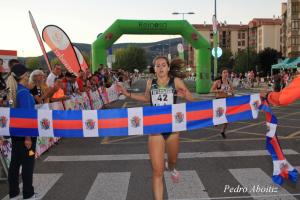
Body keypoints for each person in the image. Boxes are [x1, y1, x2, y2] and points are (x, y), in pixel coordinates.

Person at [117, 56, 195, 200]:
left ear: (168, 68)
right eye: (157, 65)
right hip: (155, 129)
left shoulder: (176, 82)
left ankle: (171, 168)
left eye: (163, 65)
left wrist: (186, 95)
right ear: (154, 69)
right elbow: (147, 98)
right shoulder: (150, 82)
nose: (160, 68)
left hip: (172, 129)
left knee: (172, 161)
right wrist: (126, 93)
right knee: (157, 172)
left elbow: (192, 100)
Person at [6, 64, 39, 199]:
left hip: (15, 134)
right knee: (28, 164)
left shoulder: (12, 92)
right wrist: (28, 138)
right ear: (24, 76)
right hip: (26, 135)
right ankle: (28, 193)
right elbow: (27, 117)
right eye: (27, 75)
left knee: (15, 164)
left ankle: (13, 193)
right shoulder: (24, 93)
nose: (28, 77)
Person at [210, 68, 234, 139]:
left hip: (226, 100)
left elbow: (232, 91)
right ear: (221, 74)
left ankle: (223, 131)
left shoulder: (229, 82)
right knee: (219, 117)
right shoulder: (218, 82)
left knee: (227, 118)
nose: (226, 74)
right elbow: (211, 90)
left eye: (227, 72)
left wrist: (231, 93)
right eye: (224, 72)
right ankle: (216, 120)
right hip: (219, 101)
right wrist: (219, 90)